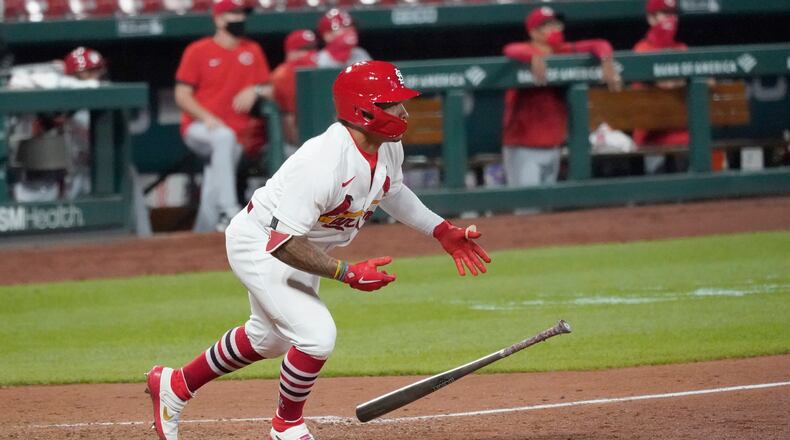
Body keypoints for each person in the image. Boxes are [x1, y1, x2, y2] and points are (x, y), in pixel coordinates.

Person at [145, 60, 491, 440]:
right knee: (316, 336)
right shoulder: (322, 161)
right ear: (362, 109)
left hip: (300, 246)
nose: (404, 111)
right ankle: (287, 426)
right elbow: (281, 243)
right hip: (261, 243)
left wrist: (441, 230)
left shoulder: (388, 148)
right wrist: (347, 273)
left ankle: (175, 385)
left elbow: (392, 190)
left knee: (268, 338)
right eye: (392, 103)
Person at [174, 0, 273, 232]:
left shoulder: (252, 49)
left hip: (237, 136)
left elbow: (269, 88)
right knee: (223, 138)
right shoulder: (198, 50)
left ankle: (204, 233)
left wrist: (255, 90)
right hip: (200, 129)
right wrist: (206, 116)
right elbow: (181, 95)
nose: (240, 18)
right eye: (233, 13)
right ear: (218, 19)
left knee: (215, 180)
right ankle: (229, 210)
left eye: (242, 13)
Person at [502, 6, 622, 188]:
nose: (555, 29)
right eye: (547, 25)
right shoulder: (523, 51)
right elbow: (509, 49)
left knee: (547, 209)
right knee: (527, 210)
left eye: (556, 24)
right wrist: (532, 56)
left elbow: (598, 44)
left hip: (553, 146)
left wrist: (606, 59)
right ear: (533, 32)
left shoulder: (563, 50)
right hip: (523, 147)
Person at [633, 0, 690, 173]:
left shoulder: (682, 48)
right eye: (664, 13)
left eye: (673, 14)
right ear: (651, 18)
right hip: (652, 135)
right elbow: (665, 85)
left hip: (681, 133)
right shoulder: (641, 49)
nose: (670, 19)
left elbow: (707, 82)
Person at [270, 29, 318, 154]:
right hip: (289, 143)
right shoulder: (283, 75)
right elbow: (288, 120)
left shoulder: (318, 71)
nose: (309, 53)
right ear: (290, 52)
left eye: (312, 49)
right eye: (303, 49)